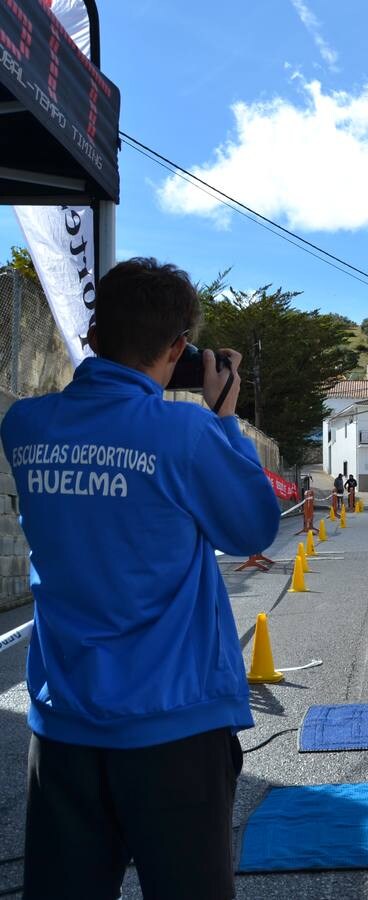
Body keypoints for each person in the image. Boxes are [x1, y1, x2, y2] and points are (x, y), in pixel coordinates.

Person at [0, 258, 281, 897]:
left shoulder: (25, 425)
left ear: (94, 335)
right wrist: (225, 420)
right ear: (179, 347)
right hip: (173, 725)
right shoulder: (186, 433)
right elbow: (251, 529)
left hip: (64, 723)